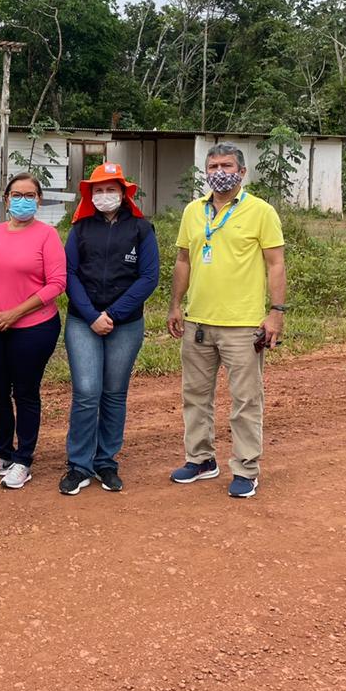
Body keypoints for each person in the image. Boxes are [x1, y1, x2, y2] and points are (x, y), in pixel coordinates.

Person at [166, 143, 287, 499]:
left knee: (246, 400)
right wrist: (175, 304)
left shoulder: (261, 212)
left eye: (227, 165)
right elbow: (184, 261)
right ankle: (201, 459)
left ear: (242, 172)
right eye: (213, 165)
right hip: (198, 321)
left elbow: (275, 264)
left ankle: (246, 468)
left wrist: (275, 313)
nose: (220, 171)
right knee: (195, 395)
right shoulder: (192, 211)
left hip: (243, 324)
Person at [60, 163, 159, 496]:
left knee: (114, 393)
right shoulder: (81, 229)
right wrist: (91, 315)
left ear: (123, 192)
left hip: (125, 324)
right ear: (90, 195)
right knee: (87, 391)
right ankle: (78, 464)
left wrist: (113, 314)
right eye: (98, 190)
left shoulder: (142, 229)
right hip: (82, 320)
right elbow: (69, 274)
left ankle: (105, 461)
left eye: (110, 189)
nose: (104, 196)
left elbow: (149, 277)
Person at [0, 173, 67, 490]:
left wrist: (14, 312)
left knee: (24, 393)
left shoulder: (47, 235)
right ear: (7, 198)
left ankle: (23, 459)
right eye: (16, 193)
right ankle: (2, 452)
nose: (22, 199)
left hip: (34, 327)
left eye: (29, 194)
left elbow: (57, 284)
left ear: (38, 199)